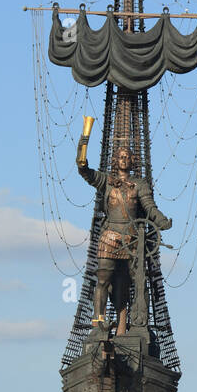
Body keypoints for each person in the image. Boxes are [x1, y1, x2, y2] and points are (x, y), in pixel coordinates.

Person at [77, 138, 172, 333]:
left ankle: (122, 327)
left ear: (132, 161)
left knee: (125, 284)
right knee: (102, 279)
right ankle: (98, 322)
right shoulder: (106, 181)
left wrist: (161, 220)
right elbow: (86, 173)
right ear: (115, 160)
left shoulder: (139, 184)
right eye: (120, 157)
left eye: (127, 157)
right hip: (110, 236)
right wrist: (82, 155)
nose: (123, 159)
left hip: (131, 239)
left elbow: (149, 207)